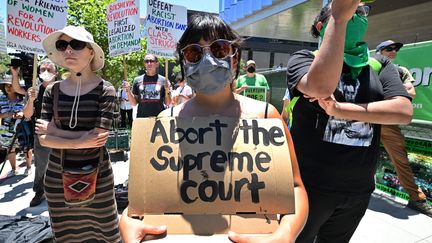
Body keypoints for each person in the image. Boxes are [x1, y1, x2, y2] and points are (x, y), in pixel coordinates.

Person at [119, 14, 308, 243]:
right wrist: (129, 221)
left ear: (235, 59)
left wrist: (285, 235)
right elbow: (145, 195)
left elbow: (295, 187)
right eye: (194, 53)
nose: (207, 60)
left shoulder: (266, 117)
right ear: (184, 63)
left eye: (218, 50)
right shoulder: (166, 120)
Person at [286, 1, 413, 242]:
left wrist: (341, 110)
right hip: (306, 188)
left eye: (362, 11)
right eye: (349, 10)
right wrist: (339, 20)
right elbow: (320, 87)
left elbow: (403, 111)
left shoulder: (379, 64)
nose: (357, 14)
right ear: (321, 25)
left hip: (357, 191)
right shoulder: (303, 58)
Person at [36, 25, 120, 242]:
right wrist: (80, 140)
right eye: (62, 45)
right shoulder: (51, 90)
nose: (68, 50)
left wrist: (57, 132)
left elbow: (98, 138)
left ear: (91, 51)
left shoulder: (105, 89)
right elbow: (43, 139)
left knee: (106, 232)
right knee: (65, 234)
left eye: (76, 44)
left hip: (97, 174)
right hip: (56, 176)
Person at [376, 40, 432, 217]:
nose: (393, 51)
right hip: (364, 119)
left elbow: (411, 93)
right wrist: (394, 93)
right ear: (379, 51)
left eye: (396, 49)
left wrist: (382, 93)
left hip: (387, 122)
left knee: (401, 160)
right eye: (389, 48)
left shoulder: (401, 71)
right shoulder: (370, 66)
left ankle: (416, 199)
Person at [22, 59, 58, 207]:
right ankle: (40, 191)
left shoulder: (64, 88)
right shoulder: (34, 91)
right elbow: (27, 115)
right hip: (41, 134)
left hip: (61, 132)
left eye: (49, 69)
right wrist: (30, 100)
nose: (46, 72)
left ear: (56, 73)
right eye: (43, 69)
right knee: (41, 164)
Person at [0, 74, 31, 177]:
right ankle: (13, 169)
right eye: (5, 85)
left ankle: (29, 167)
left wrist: (22, 114)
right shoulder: (1, 98)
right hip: (6, 129)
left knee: (26, 147)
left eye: (10, 85)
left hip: (21, 127)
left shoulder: (23, 98)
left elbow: (30, 112)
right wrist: (5, 114)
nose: (8, 88)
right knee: (10, 149)